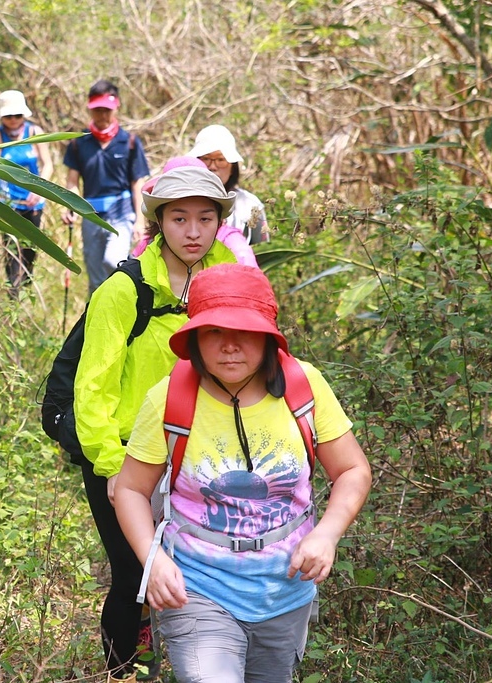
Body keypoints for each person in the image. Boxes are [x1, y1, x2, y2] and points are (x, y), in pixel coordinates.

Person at [114, 264, 373, 683]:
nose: (230, 346)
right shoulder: (169, 397)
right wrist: (153, 560)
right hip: (196, 586)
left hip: (285, 589)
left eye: (245, 332)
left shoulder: (303, 386)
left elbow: (353, 470)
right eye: (214, 331)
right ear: (195, 338)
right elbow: (129, 489)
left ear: (268, 338)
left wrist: (327, 534)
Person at [73, 165, 248, 682]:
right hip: (129, 455)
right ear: (158, 223)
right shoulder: (122, 291)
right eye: (179, 219)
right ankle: (122, 670)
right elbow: (93, 388)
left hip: (202, 453)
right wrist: (110, 467)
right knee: (136, 574)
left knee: (204, 570)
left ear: (220, 221)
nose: (193, 231)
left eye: (204, 218)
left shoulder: (231, 279)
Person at [63, 79, 151, 295]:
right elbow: (72, 181)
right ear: (90, 109)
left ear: (116, 107)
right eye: (97, 110)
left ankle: (129, 299)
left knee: (114, 262)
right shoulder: (78, 142)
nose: (102, 116)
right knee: (95, 280)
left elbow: (137, 183)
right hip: (90, 214)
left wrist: (140, 221)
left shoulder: (129, 142)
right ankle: (97, 322)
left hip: (121, 213)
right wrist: (69, 207)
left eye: (106, 110)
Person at [0, 90, 54, 298]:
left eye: (17, 115)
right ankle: (13, 295)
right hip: (7, 204)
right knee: (11, 250)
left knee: (30, 249)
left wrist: (39, 191)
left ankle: (28, 290)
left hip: (33, 202)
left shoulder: (34, 132)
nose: (13, 120)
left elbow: (47, 164)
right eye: (8, 116)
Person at [133, 156, 257, 267]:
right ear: (160, 219)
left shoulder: (232, 243)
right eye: (180, 219)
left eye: (204, 219)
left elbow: (251, 277)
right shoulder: (149, 244)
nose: (193, 234)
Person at [189, 125, 269, 245]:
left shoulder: (248, 206)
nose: (213, 167)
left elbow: (262, 251)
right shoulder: (179, 199)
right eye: (206, 159)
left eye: (220, 160)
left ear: (233, 167)